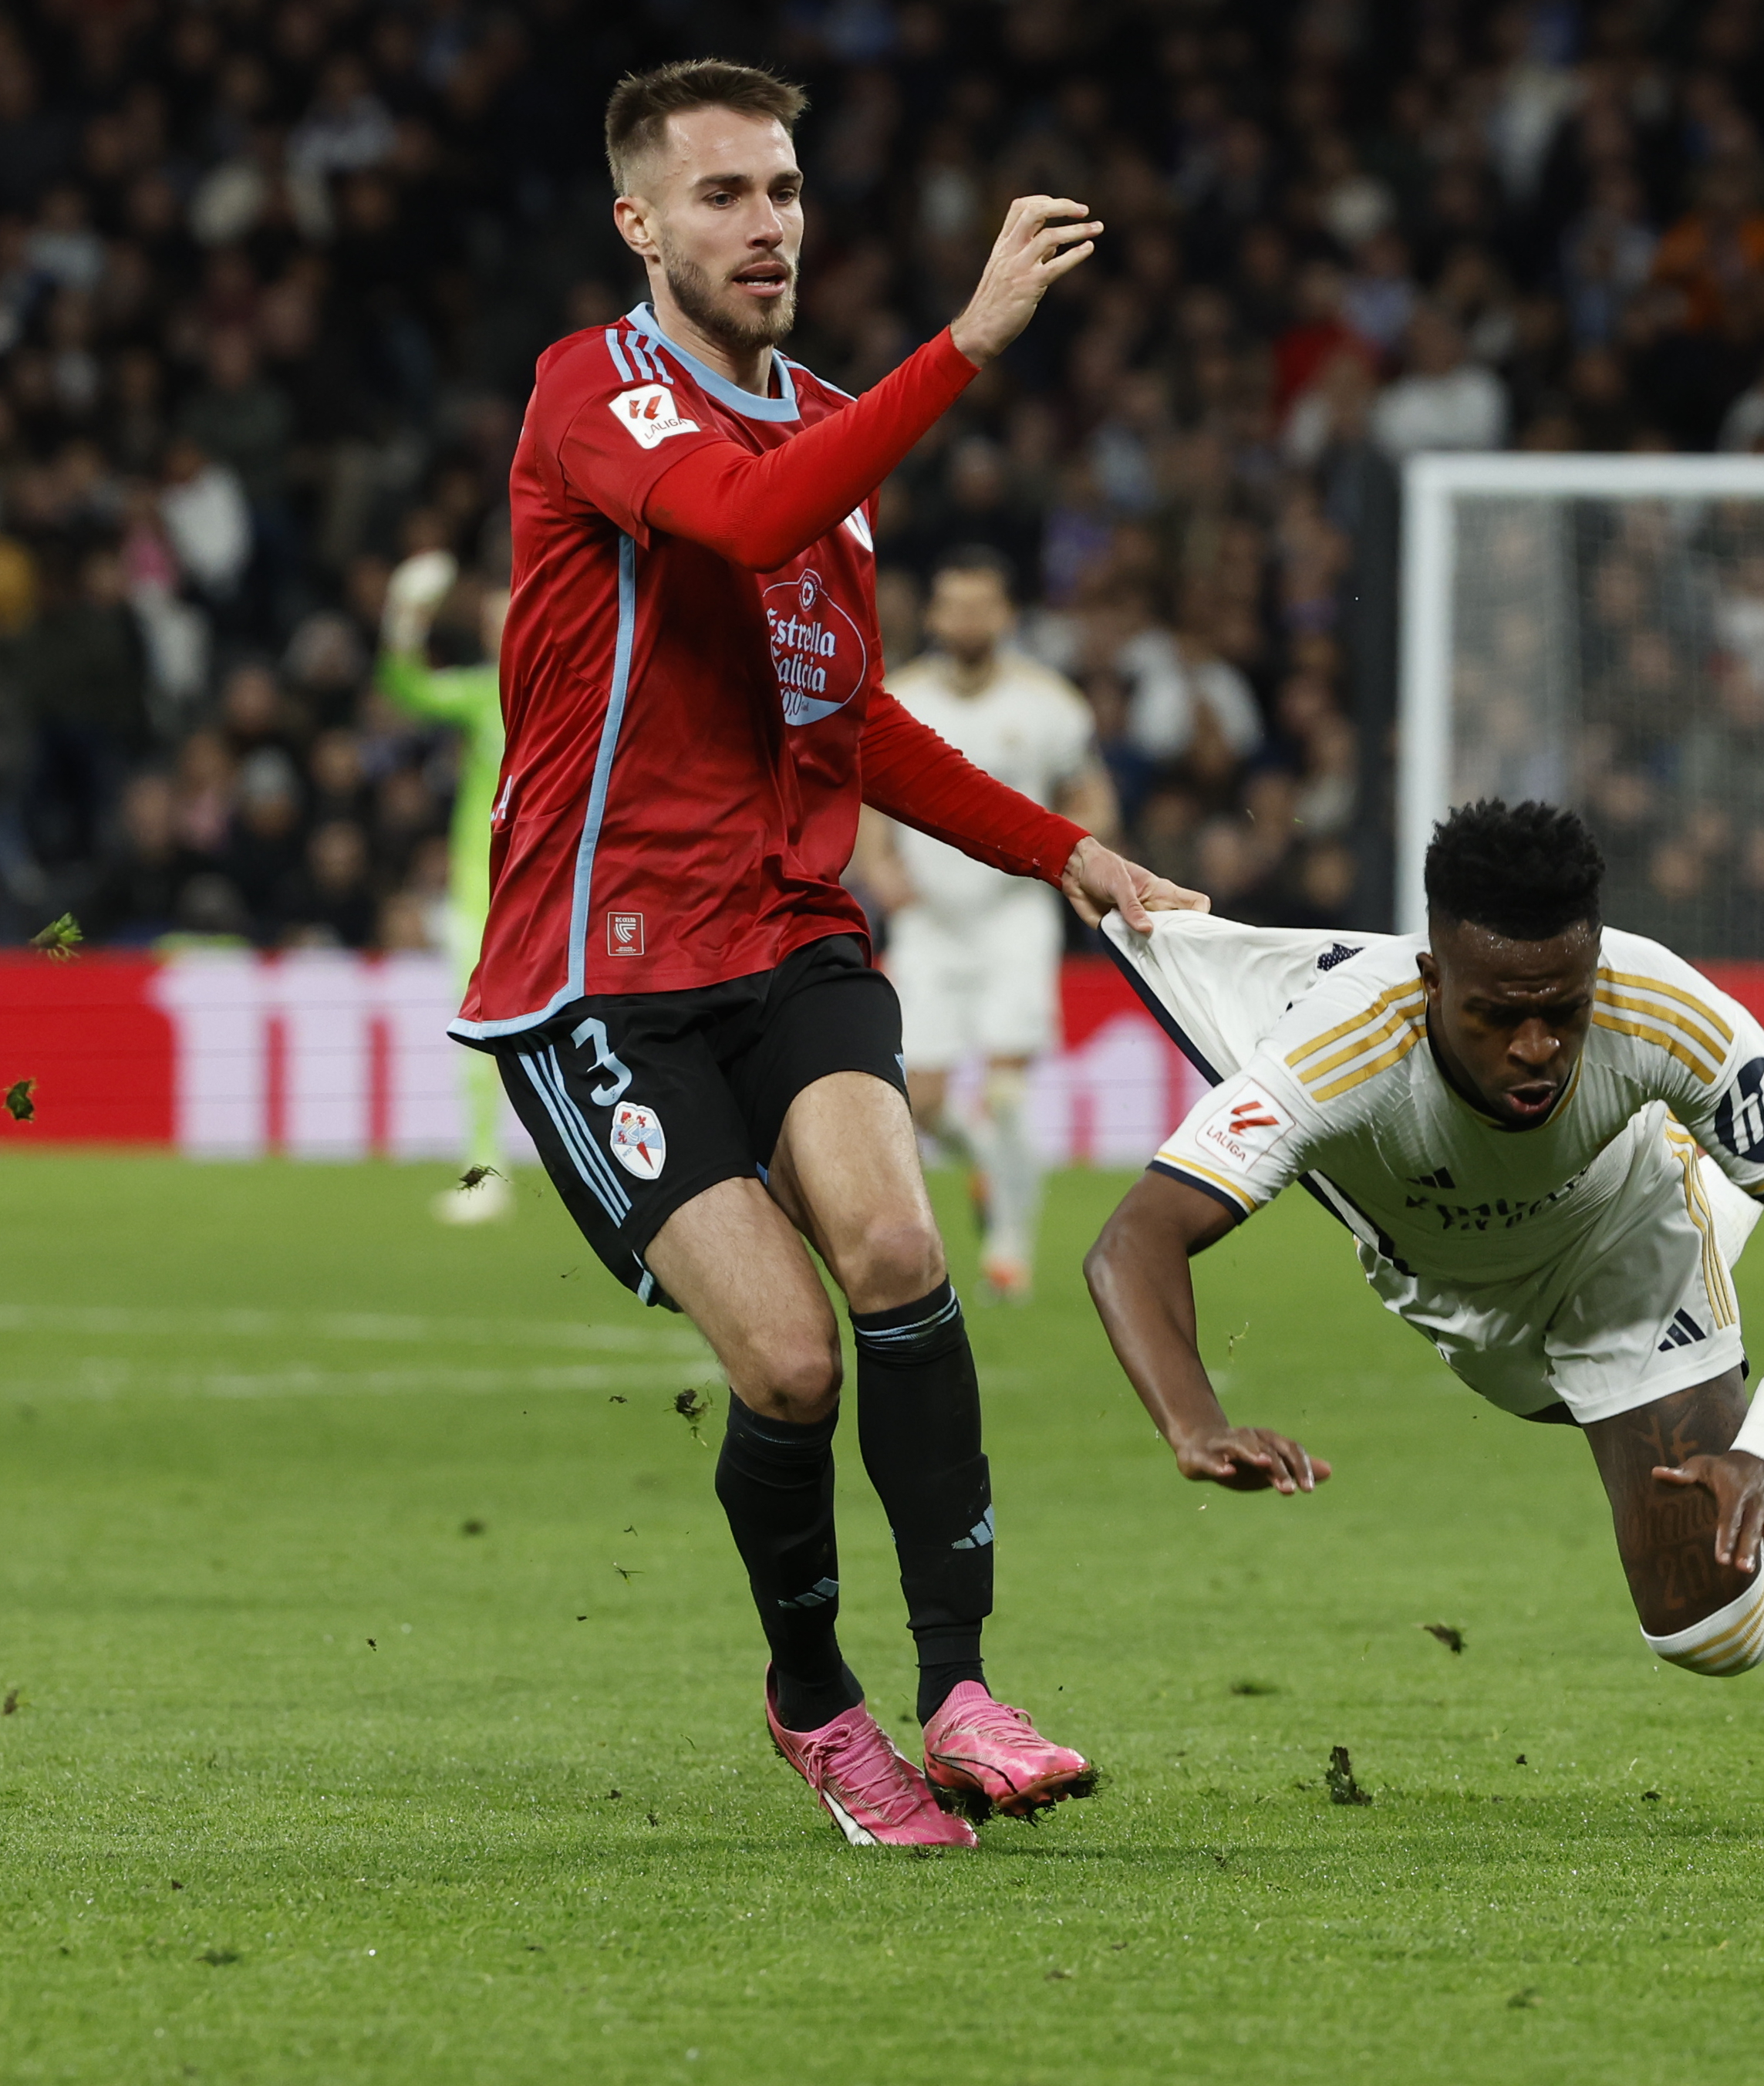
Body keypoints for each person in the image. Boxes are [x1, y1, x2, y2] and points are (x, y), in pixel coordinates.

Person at [449, 59, 1199, 1850]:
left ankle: (960, 1688)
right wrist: (973, 345)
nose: (766, 222)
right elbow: (739, 518)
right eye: (721, 196)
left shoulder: (839, 425)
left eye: (782, 189)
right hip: (601, 965)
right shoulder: (592, 394)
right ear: (640, 223)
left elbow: (842, 713)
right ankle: (817, 1705)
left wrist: (1065, 849)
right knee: (785, 1362)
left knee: (895, 1244)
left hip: (790, 933)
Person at [1084, 802, 1764, 1739]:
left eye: (1565, 1010)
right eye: (1497, 1014)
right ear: (1433, 979)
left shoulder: (1659, 1002)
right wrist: (1194, 1424)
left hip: (1622, 1241)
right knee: (1549, 1397)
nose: (1535, 1048)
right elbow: (1132, 1241)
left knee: (1707, 1632)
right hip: (1451, 1286)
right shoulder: (1341, 1044)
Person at [851, 547, 1117, 1299]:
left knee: (1005, 1090)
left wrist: (1062, 849)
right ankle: (987, 1172)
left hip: (1012, 916)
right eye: (953, 606)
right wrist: (878, 866)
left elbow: (1093, 800)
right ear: (934, 615)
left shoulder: (1050, 705)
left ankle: (1009, 1246)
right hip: (929, 919)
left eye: (981, 605)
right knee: (926, 1103)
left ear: (1005, 615)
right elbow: (872, 792)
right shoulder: (898, 697)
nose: (967, 620)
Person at [375, 547, 513, 1222]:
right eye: (494, 621)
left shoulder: (576, 690)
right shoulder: (484, 691)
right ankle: (484, 1170)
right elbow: (406, 690)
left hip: (554, 888)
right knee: (477, 1036)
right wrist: (403, 621)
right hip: (478, 891)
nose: (503, 631)